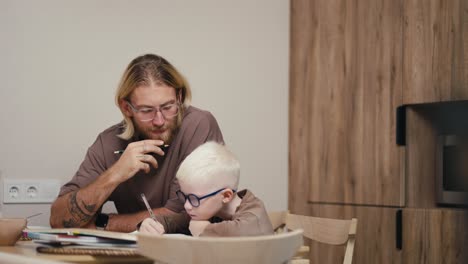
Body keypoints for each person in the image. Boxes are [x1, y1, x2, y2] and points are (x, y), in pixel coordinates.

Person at [50, 54, 224, 232]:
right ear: (126, 108)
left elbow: (183, 214)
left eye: (167, 107)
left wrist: (104, 222)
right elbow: (58, 219)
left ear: (179, 97)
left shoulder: (198, 125)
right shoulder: (108, 143)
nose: (159, 120)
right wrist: (115, 174)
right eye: (146, 110)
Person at [139, 141, 274, 237]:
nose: (187, 206)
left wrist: (204, 229)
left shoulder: (254, 216)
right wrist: (152, 224)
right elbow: (174, 221)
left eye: (193, 198)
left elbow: (244, 232)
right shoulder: (209, 210)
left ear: (226, 196)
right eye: (185, 197)